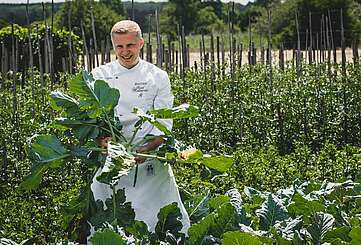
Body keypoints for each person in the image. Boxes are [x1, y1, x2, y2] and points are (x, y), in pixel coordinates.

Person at [90, 20, 190, 235]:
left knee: (160, 223)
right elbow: (93, 120)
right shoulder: (99, 75)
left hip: (149, 162)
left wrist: (148, 148)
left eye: (130, 46)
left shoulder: (158, 77)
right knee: (107, 225)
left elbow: (164, 123)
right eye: (120, 46)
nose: (125, 52)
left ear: (141, 43)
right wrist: (103, 141)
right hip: (113, 164)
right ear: (113, 46)